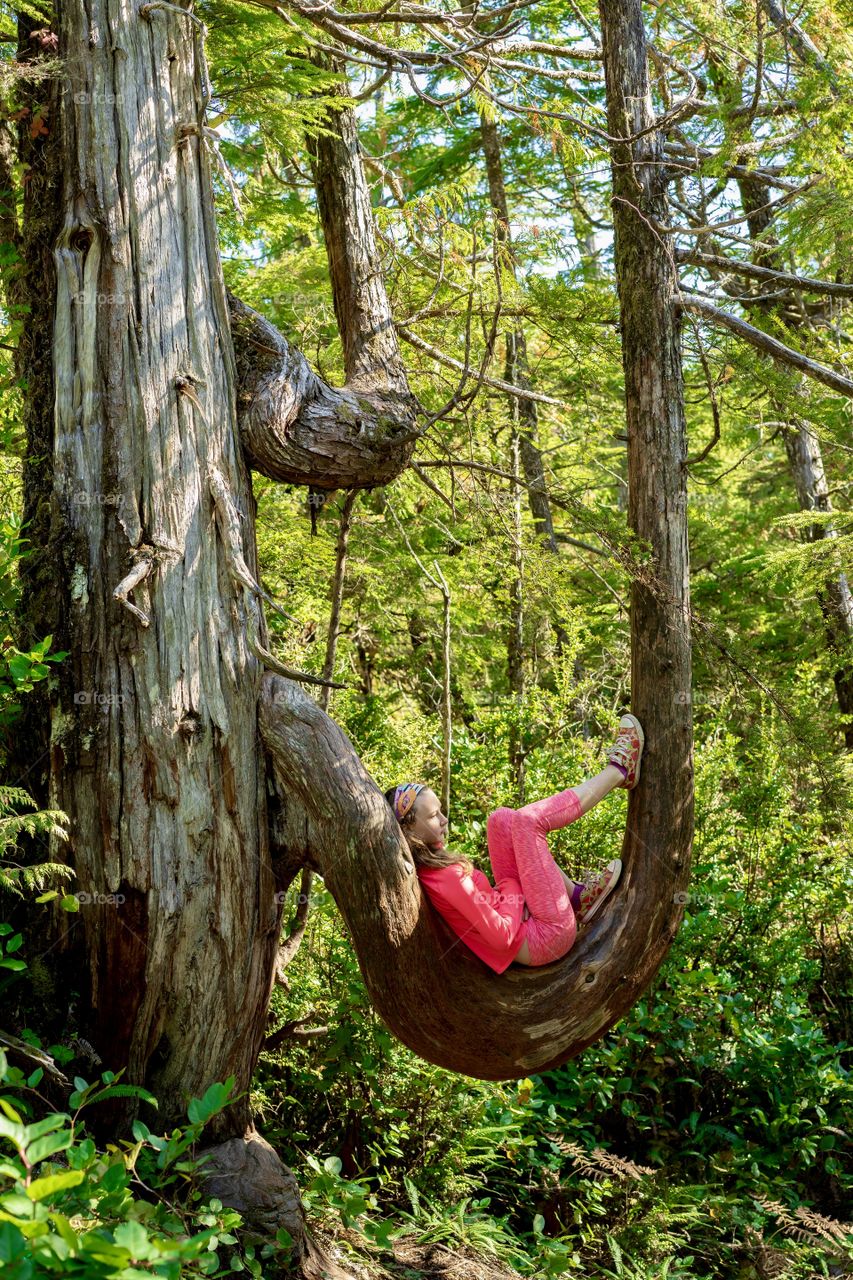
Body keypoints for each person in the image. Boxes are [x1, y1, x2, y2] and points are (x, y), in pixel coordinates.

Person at [384, 715, 644, 973]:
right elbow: (502, 937)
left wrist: (510, 896)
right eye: (432, 816)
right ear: (408, 829)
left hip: (522, 920)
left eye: (440, 811)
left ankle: (578, 898)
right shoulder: (446, 876)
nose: (444, 820)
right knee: (529, 821)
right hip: (545, 938)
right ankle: (619, 771)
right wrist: (511, 889)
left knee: (502, 820)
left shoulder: (430, 864)